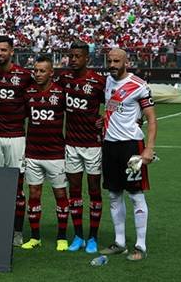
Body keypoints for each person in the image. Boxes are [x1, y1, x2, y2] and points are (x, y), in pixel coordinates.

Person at [98, 48, 157, 261]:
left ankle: (140, 245)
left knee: (135, 194)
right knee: (114, 194)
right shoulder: (106, 81)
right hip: (110, 146)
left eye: (116, 61)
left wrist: (148, 149)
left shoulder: (139, 85)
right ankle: (120, 242)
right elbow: (111, 109)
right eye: (110, 61)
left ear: (126, 62)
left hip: (132, 147)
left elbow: (151, 119)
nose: (112, 64)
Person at [0, 35, 33, 247]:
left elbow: (33, 105)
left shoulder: (24, 76)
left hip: (16, 138)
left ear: (12, 51)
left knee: (17, 188)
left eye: (3, 50)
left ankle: (17, 231)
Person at [58, 41, 106, 253]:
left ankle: (93, 237)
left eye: (78, 56)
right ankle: (78, 235)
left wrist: (105, 117)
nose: (73, 59)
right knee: (74, 190)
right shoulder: (64, 79)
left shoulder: (97, 81)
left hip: (93, 145)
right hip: (71, 144)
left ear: (87, 58)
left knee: (94, 190)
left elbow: (114, 103)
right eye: (71, 56)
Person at [20, 55, 70, 251]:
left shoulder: (60, 92)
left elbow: (74, 115)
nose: (38, 74)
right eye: (36, 70)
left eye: (42, 71)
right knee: (34, 194)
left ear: (51, 73)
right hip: (33, 153)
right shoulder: (28, 92)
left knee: (60, 194)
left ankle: (62, 237)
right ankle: (35, 237)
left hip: (56, 154)